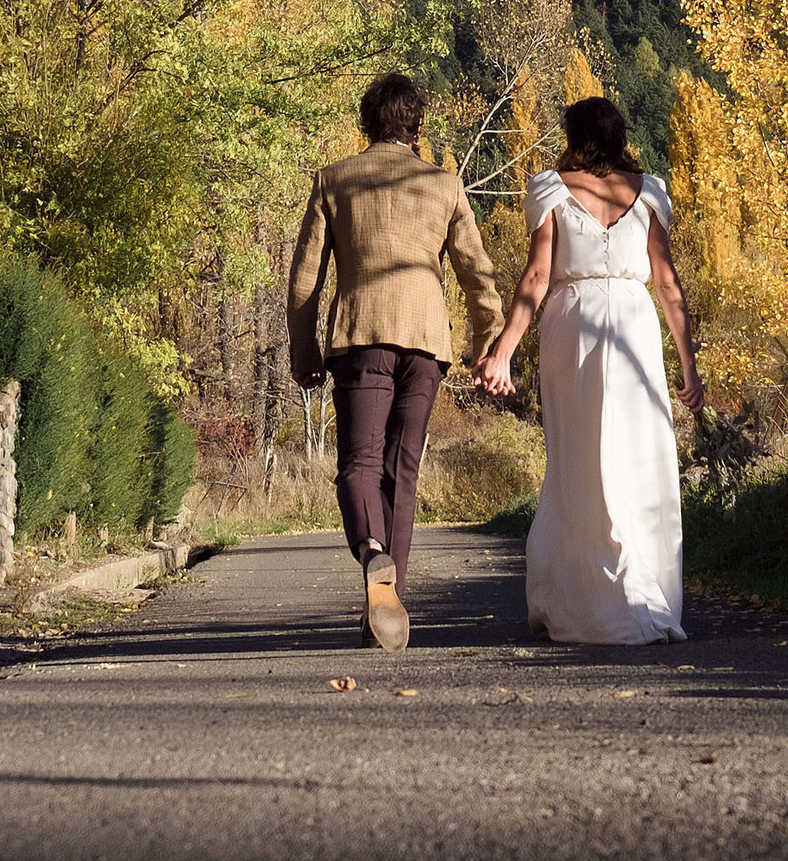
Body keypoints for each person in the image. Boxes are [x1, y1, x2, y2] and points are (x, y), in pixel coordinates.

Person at [477, 96, 704, 644]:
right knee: (636, 458)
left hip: (572, 325)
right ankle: (642, 594)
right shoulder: (648, 192)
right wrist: (689, 363)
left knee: (577, 461)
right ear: (620, 135)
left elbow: (536, 277)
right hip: (633, 326)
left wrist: (504, 350)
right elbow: (668, 285)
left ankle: (584, 598)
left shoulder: (552, 189)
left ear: (572, 134)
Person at [288, 73, 504, 649]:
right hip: (426, 341)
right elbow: (476, 271)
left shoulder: (334, 180)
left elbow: (305, 279)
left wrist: (304, 350)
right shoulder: (444, 185)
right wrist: (489, 341)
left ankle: (373, 554)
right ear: (418, 126)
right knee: (400, 471)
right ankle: (387, 607)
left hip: (361, 338)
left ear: (366, 124)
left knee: (358, 462)